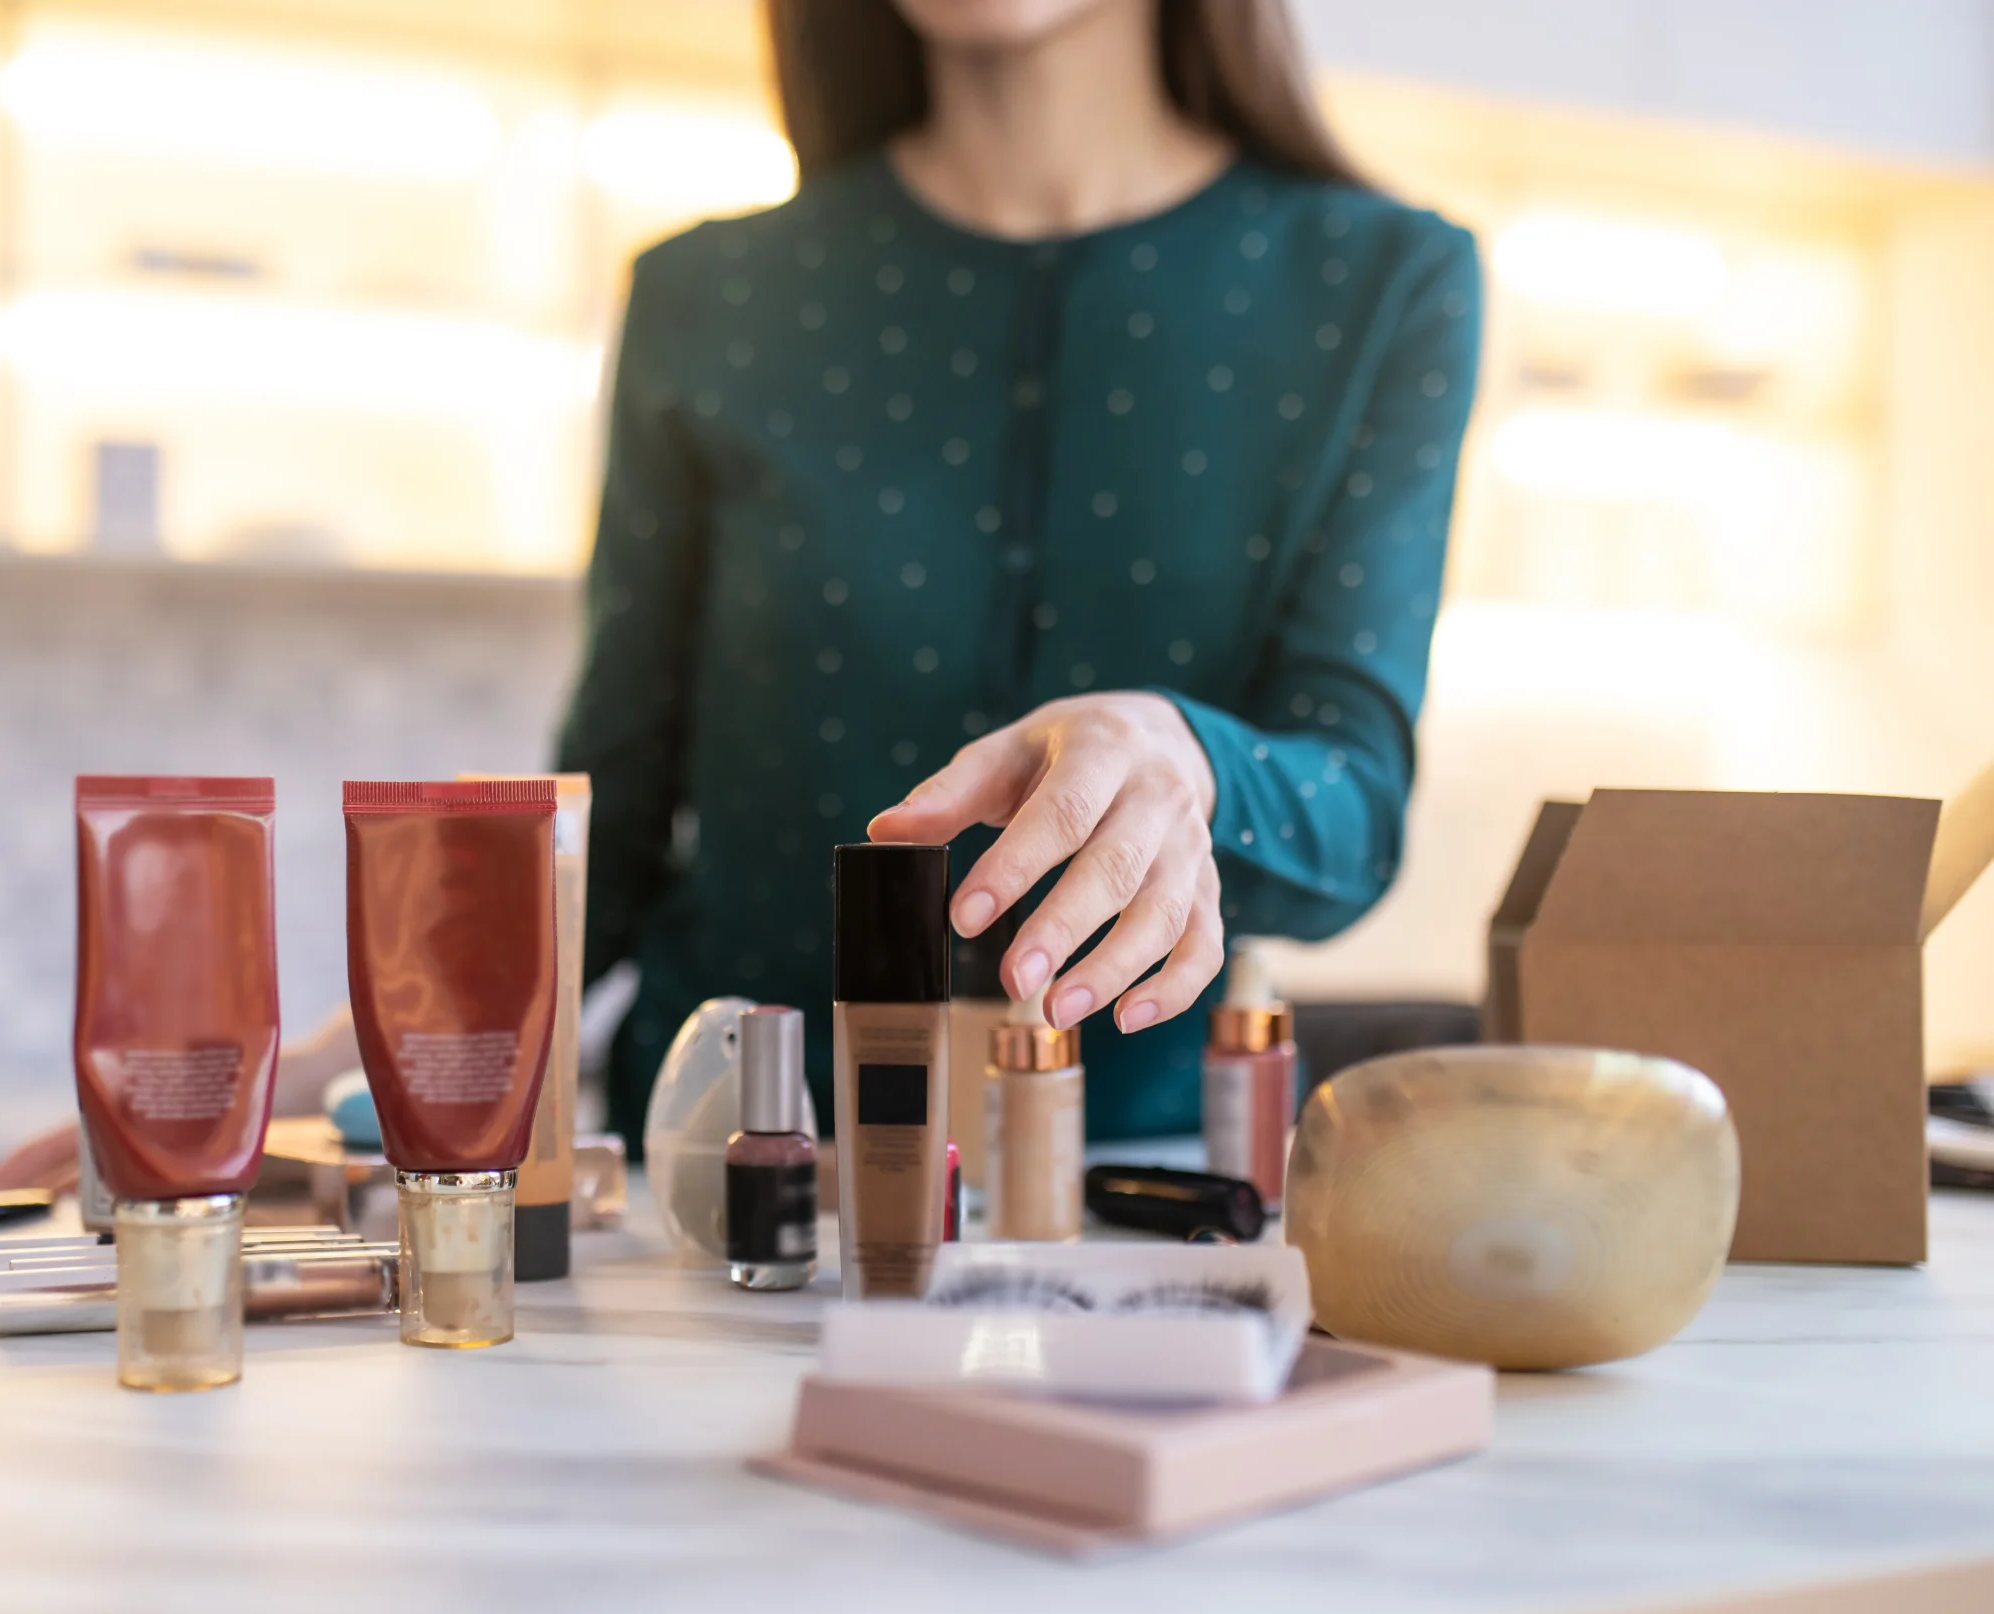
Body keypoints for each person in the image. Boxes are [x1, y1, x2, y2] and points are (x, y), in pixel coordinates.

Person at [558, 0, 1483, 1144]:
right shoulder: (707, 296)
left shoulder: (1386, 283)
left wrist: (1188, 761)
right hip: (720, 1182)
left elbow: (1354, 811)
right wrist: (384, 1046)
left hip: (1136, 1198)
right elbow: (610, 803)